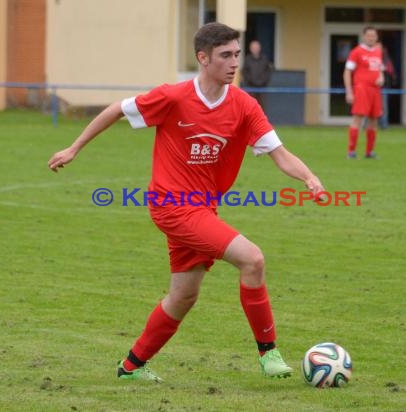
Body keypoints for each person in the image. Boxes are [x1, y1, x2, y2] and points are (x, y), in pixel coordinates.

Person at [48, 23, 324, 383]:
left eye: (237, 54)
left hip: (202, 210)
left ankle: (131, 366)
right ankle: (269, 352)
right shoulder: (174, 97)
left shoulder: (244, 106)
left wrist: (308, 177)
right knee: (252, 259)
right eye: (226, 55)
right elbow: (117, 108)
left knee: (183, 296)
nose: (234, 62)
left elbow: (279, 153)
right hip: (171, 205)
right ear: (203, 58)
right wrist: (74, 147)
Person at [343, 26, 384, 159]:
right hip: (362, 89)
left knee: (374, 120)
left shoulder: (378, 51)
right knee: (358, 118)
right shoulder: (357, 52)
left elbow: (380, 69)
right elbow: (347, 72)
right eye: (369, 35)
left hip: (375, 91)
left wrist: (381, 78)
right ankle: (351, 151)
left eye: (373, 35)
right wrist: (349, 91)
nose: (371, 38)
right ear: (364, 36)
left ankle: (369, 152)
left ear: (376, 37)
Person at [241, 40, 272, 110]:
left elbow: (268, 71)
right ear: (250, 49)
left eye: (256, 47)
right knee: (250, 107)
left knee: (262, 107)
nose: (255, 49)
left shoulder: (264, 59)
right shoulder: (247, 59)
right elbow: (244, 72)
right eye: (253, 47)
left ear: (260, 48)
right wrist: (249, 82)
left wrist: (264, 81)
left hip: (262, 88)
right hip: (251, 88)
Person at [379, 44, 396, 130]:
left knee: (383, 107)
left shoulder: (386, 59)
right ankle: (365, 126)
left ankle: (384, 125)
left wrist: (384, 68)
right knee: (369, 107)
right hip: (372, 87)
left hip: (384, 87)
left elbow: (390, 70)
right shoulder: (371, 58)